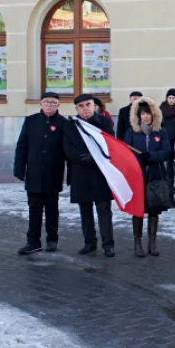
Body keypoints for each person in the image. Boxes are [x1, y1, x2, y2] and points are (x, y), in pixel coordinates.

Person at [65, 93, 117, 257]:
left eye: (88, 105)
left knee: (104, 210)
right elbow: (68, 148)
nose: (85, 108)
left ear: (94, 106)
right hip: (80, 173)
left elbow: (110, 145)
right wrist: (81, 158)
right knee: (85, 211)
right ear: (76, 109)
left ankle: (108, 244)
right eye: (81, 106)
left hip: (100, 172)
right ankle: (89, 243)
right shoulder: (71, 125)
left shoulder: (104, 123)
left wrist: (94, 157)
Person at [14, 92, 66, 255]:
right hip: (34, 174)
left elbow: (68, 150)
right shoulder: (31, 121)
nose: (49, 105)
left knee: (52, 208)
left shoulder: (63, 123)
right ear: (40, 104)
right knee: (34, 209)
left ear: (58, 105)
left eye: (53, 102)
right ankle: (33, 241)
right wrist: (19, 168)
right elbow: (22, 146)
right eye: (46, 102)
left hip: (54, 173)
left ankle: (52, 239)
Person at [124, 97, 170, 257]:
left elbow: (166, 151)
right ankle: (137, 243)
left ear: (154, 115)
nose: (146, 117)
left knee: (153, 209)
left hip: (156, 175)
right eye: (143, 114)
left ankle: (152, 242)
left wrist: (150, 156)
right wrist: (138, 159)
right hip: (137, 176)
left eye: (148, 113)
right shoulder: (132, 132)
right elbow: (126, 152)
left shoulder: (161, 131)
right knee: (138, 209)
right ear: (138, 115)